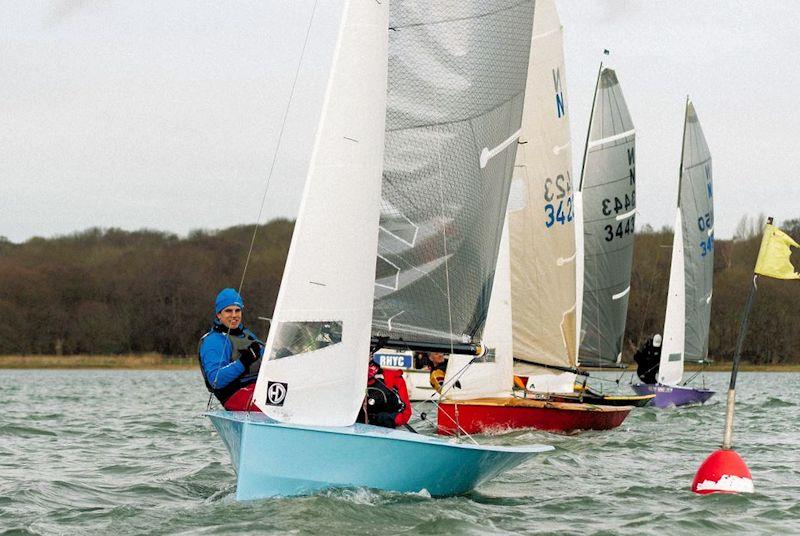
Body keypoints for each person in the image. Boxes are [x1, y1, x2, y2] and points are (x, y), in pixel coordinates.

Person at [199, 288, 264, 411]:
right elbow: (215, 380)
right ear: (219, 314)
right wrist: (244, 362)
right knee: (274, 405)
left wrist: (280, 355)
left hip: (259, 388)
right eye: (228, 311)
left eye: (237, 310)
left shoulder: (247, 335)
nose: (234, 315)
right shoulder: (212, 341)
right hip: (234, 395)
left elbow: (264, 356)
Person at [357, 360, 412, 428]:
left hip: (384, 429)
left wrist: (382, 419)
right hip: (355, 427)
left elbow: (405, 413)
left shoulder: (392, 377)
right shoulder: (350, 376)